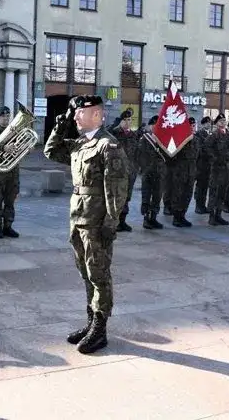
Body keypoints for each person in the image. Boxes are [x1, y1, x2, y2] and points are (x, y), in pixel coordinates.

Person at [44, 95, 128, 355]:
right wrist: (61, 124)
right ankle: (91, 321)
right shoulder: (80, 143)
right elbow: (51, 151)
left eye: (79, 113)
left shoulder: (107, 146)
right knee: (85, 270)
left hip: (97, 220)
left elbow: (117, 190)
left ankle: (100, 329)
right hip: (78, 216)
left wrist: (111, 223)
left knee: (99, 273)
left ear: (96, 115)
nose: (75, 117)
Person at [0, 106, 22, 238]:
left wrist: (27, 148)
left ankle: (8, 226)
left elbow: (20, 147)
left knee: (10, 201)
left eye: (8, 116)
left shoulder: (15, 132)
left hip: (13, 171)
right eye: (3, 116)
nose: (6, 118)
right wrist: (3, 147)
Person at [109, 110, 140, 232]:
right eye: (125, 120)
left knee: (127, 197)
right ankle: (114, 222)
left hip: (130, 172)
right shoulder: (114, 134)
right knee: (117, 197)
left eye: (130, 120)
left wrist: (136, 168)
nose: (128, 122)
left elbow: (137, 153)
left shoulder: (133, 135)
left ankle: (122, 221)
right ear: (121, 121)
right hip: (117, 172)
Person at [204, 114, 229, 226]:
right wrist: (215, 158)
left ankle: (219, 215)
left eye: (224, 120)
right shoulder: (214, 135)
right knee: (214, 193)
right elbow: (207, 147)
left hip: (226, 168)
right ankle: (212, 216)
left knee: (222, 192)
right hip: (217, 168)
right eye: (220, 121)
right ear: (216, 123)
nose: (223, 122)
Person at [137, 116, 165, 229]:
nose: (155, 127)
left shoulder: (163, 139)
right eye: (153, 125)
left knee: (157, 196)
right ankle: (146, 219)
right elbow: (141, 156)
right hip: (148, 173)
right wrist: (146, 169)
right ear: (150, 126)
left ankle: (153, 218)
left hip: (160, 173)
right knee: (147, 196)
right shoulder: (145, 139)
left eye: (157, 125)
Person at [192, 116, 212, 214]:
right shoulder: (199, 134)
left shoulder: (210, 134)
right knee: (200, 186)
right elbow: (199, 150)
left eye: (210, 123)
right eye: (207, 123)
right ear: (203, 124)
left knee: (205, 186)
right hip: (201, 164)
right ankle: (198, 206)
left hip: (208, 165)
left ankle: (203, 205)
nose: (209, 124)